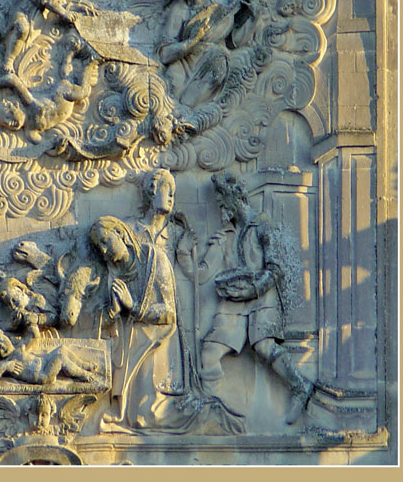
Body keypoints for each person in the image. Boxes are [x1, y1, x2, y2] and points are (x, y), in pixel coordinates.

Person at [199, 172, 313, 424]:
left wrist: (253, 289)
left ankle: (300, 386)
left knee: (263, 346)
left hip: (263, 297)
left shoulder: (263, 225)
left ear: (235, 196)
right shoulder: (231, 232)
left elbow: (276, 269)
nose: (220, 206)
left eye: (222, 200)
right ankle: (213, 411)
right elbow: (209, 271)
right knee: (210, 348)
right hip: (236, 300)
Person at [89, 211, 186, 431]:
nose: (103, 251)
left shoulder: (155, 260)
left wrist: (132, 306)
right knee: (137, 417)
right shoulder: (112, 274)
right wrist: (113, 313)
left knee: (145, 416)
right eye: (98, 247)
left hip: (155, 342)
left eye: (105, 241)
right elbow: (101, 319)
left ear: (121, 234)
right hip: (129, 345)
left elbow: (169, 312)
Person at [0, 0, 82, 78]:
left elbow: (63, 8)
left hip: (38, 20)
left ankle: (22, 66)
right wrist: (64, 13)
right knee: (22, 29)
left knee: (30, 43)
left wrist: (76, 11)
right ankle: (9, 61)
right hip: (25, 10)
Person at [0, 328, 98, 385]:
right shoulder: (9, 362)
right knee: (60, 358)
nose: (2, 345)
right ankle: (84, 374)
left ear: (5, 336)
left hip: (45, 363)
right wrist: (5, 366)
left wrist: (31, 323)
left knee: (62, 349)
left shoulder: (19, 348)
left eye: (1, 340)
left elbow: (34, 336)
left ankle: (83, 365)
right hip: (43, 375)